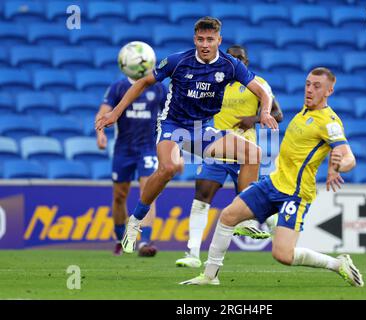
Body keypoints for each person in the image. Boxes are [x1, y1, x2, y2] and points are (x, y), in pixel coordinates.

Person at [95, 17, 278, 254]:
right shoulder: (178, 61)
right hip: (173, 126)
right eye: (200, 39)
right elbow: (142, 82)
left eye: (210, 39)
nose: (205, 44)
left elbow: (263, 92)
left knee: (253, 153)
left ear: (218, 40)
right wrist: (116, 113)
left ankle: (245, 219)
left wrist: (264, 112)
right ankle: (135, 221)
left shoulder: (230, 65)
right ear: (195, 39)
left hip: (202, 131)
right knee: (168, 168)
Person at [180, 67, 364, 287]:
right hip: (273, 183)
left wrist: (340, 166)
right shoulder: (305, 112)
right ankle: (210, 276)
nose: (309, 90)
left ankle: (337, 264)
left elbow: (348, 156)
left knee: (283, 255)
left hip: (294, 194)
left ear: (329, 91)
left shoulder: (329, 122)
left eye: (317, 86)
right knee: (228, 216)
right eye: (307, 84)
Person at [175, 44, 283, 268]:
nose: (235, 60)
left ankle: (284, 244)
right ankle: (193, 253)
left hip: (246, 155)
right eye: (231, 57)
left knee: (254, 202)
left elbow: (277, 113)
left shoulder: (258, 84)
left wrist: (252, 119)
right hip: (218, 150)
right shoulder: (213, 83)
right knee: (202, 195)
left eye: (239, 57)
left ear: (246, 62)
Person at [96, 45, 167, 256]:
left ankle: (144, 242)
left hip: (147, 149)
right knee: (119, 196)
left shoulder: (159, 88)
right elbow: (103, 112)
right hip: (123, 150)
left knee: (148, 193)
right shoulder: (118, 88)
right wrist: (100, 133)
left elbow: (169, 116)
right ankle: (120, 238)